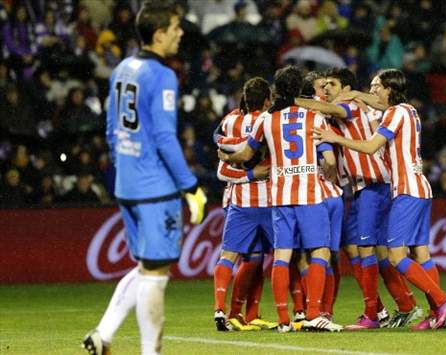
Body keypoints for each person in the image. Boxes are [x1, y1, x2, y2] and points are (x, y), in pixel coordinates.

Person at [81, 2, 207, 354]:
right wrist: (190, 187)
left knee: (146, 265)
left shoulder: (123, 68)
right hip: (155, 188)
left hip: (128, 184)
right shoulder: (163, 75)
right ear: (159, 33)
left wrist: (126, 168)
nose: (180, 33)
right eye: (176, 27)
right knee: (156, 273)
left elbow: (110, 128)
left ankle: (103, 335)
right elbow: (166, 138)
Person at [313, 68, 446, 330]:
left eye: (377, 86)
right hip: (420, 187)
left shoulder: (393, 113)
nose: (373, 91)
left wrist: (336, 138)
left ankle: (441, 300)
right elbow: (375, 104)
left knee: (395, 256)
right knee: (421, 253)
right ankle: (437, 313)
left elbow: (370, 147)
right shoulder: (410, 110)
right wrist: (357, 94)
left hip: (405, 189)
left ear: (389, 90)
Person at [218, 65, 342, 333]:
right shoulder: (314, 117)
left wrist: (226, 156)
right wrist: (329, 175)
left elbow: (245, 154)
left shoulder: (267, 120)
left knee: (282, 256)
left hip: (279, 195)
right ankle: (312, 314)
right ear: (300, 90)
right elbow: (329, 160)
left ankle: (284, 320)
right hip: (309, 193)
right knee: (319, 251)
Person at [295, 68, 420, 330]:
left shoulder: (351, 105)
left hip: (374, 185)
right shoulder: (343, 108)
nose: (326, 89)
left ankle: (372, 314)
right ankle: (405, 305)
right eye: (324, 85)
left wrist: (290, 100)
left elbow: (337, 111)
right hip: (367, 187)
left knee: (364, 250)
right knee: (374, 251)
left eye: (331, 84)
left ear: (346, 88)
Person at [212, 77, 276, 331]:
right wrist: (253, 173)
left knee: (248, 258)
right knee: (283, 257)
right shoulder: (270, 120)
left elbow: (220, 159)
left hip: (238, 198)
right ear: (267, 99)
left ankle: (242, 313)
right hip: (268, 200)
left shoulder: (229, 121)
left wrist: (223, 146)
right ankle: (236, 312)